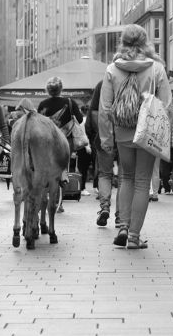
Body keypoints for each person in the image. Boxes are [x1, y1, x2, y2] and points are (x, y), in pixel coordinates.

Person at [99, 24, 172, 249]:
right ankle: (133, 235)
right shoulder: (156, 68)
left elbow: (104, 108)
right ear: (145, 42)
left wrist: (106, 139)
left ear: (122, 41)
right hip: (147, 132)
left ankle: (122, 225)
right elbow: (167, 106)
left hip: (122, 132)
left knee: (125, 178)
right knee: (142, 182)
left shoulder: (112, 69)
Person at [38, 76, 85, 212]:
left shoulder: (43, 104)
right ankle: (59, 202)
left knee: (47, 170)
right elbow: (80, 119)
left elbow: (39, 123)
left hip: (47, 142)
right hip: (65, 142)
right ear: (61, 89)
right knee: (62, 170)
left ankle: (46, 199)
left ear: (48, 89)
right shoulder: (70, 102)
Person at [86, 80, 120, 229]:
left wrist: (97, 133)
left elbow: (93, 112)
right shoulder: (134, 79)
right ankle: (121, 216)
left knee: (105, 174)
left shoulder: (103, 83)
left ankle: (105, 207)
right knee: (126, 177)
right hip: (127, 135)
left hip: (104, 135)